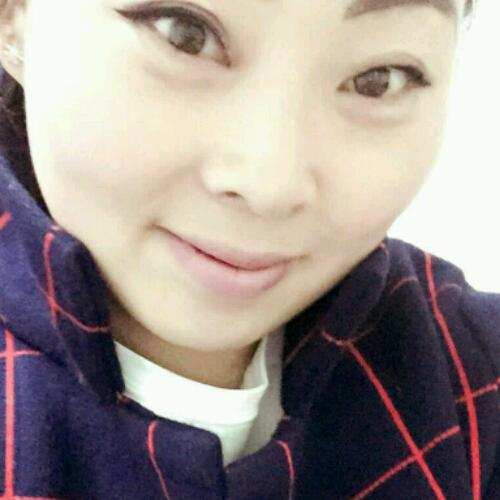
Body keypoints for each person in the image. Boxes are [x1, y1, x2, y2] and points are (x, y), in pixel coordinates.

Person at [0, 0, 497, 498]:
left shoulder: (474, 380)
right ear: (13, 15)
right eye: (185, 35)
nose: (270, 185)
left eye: (378, 80)